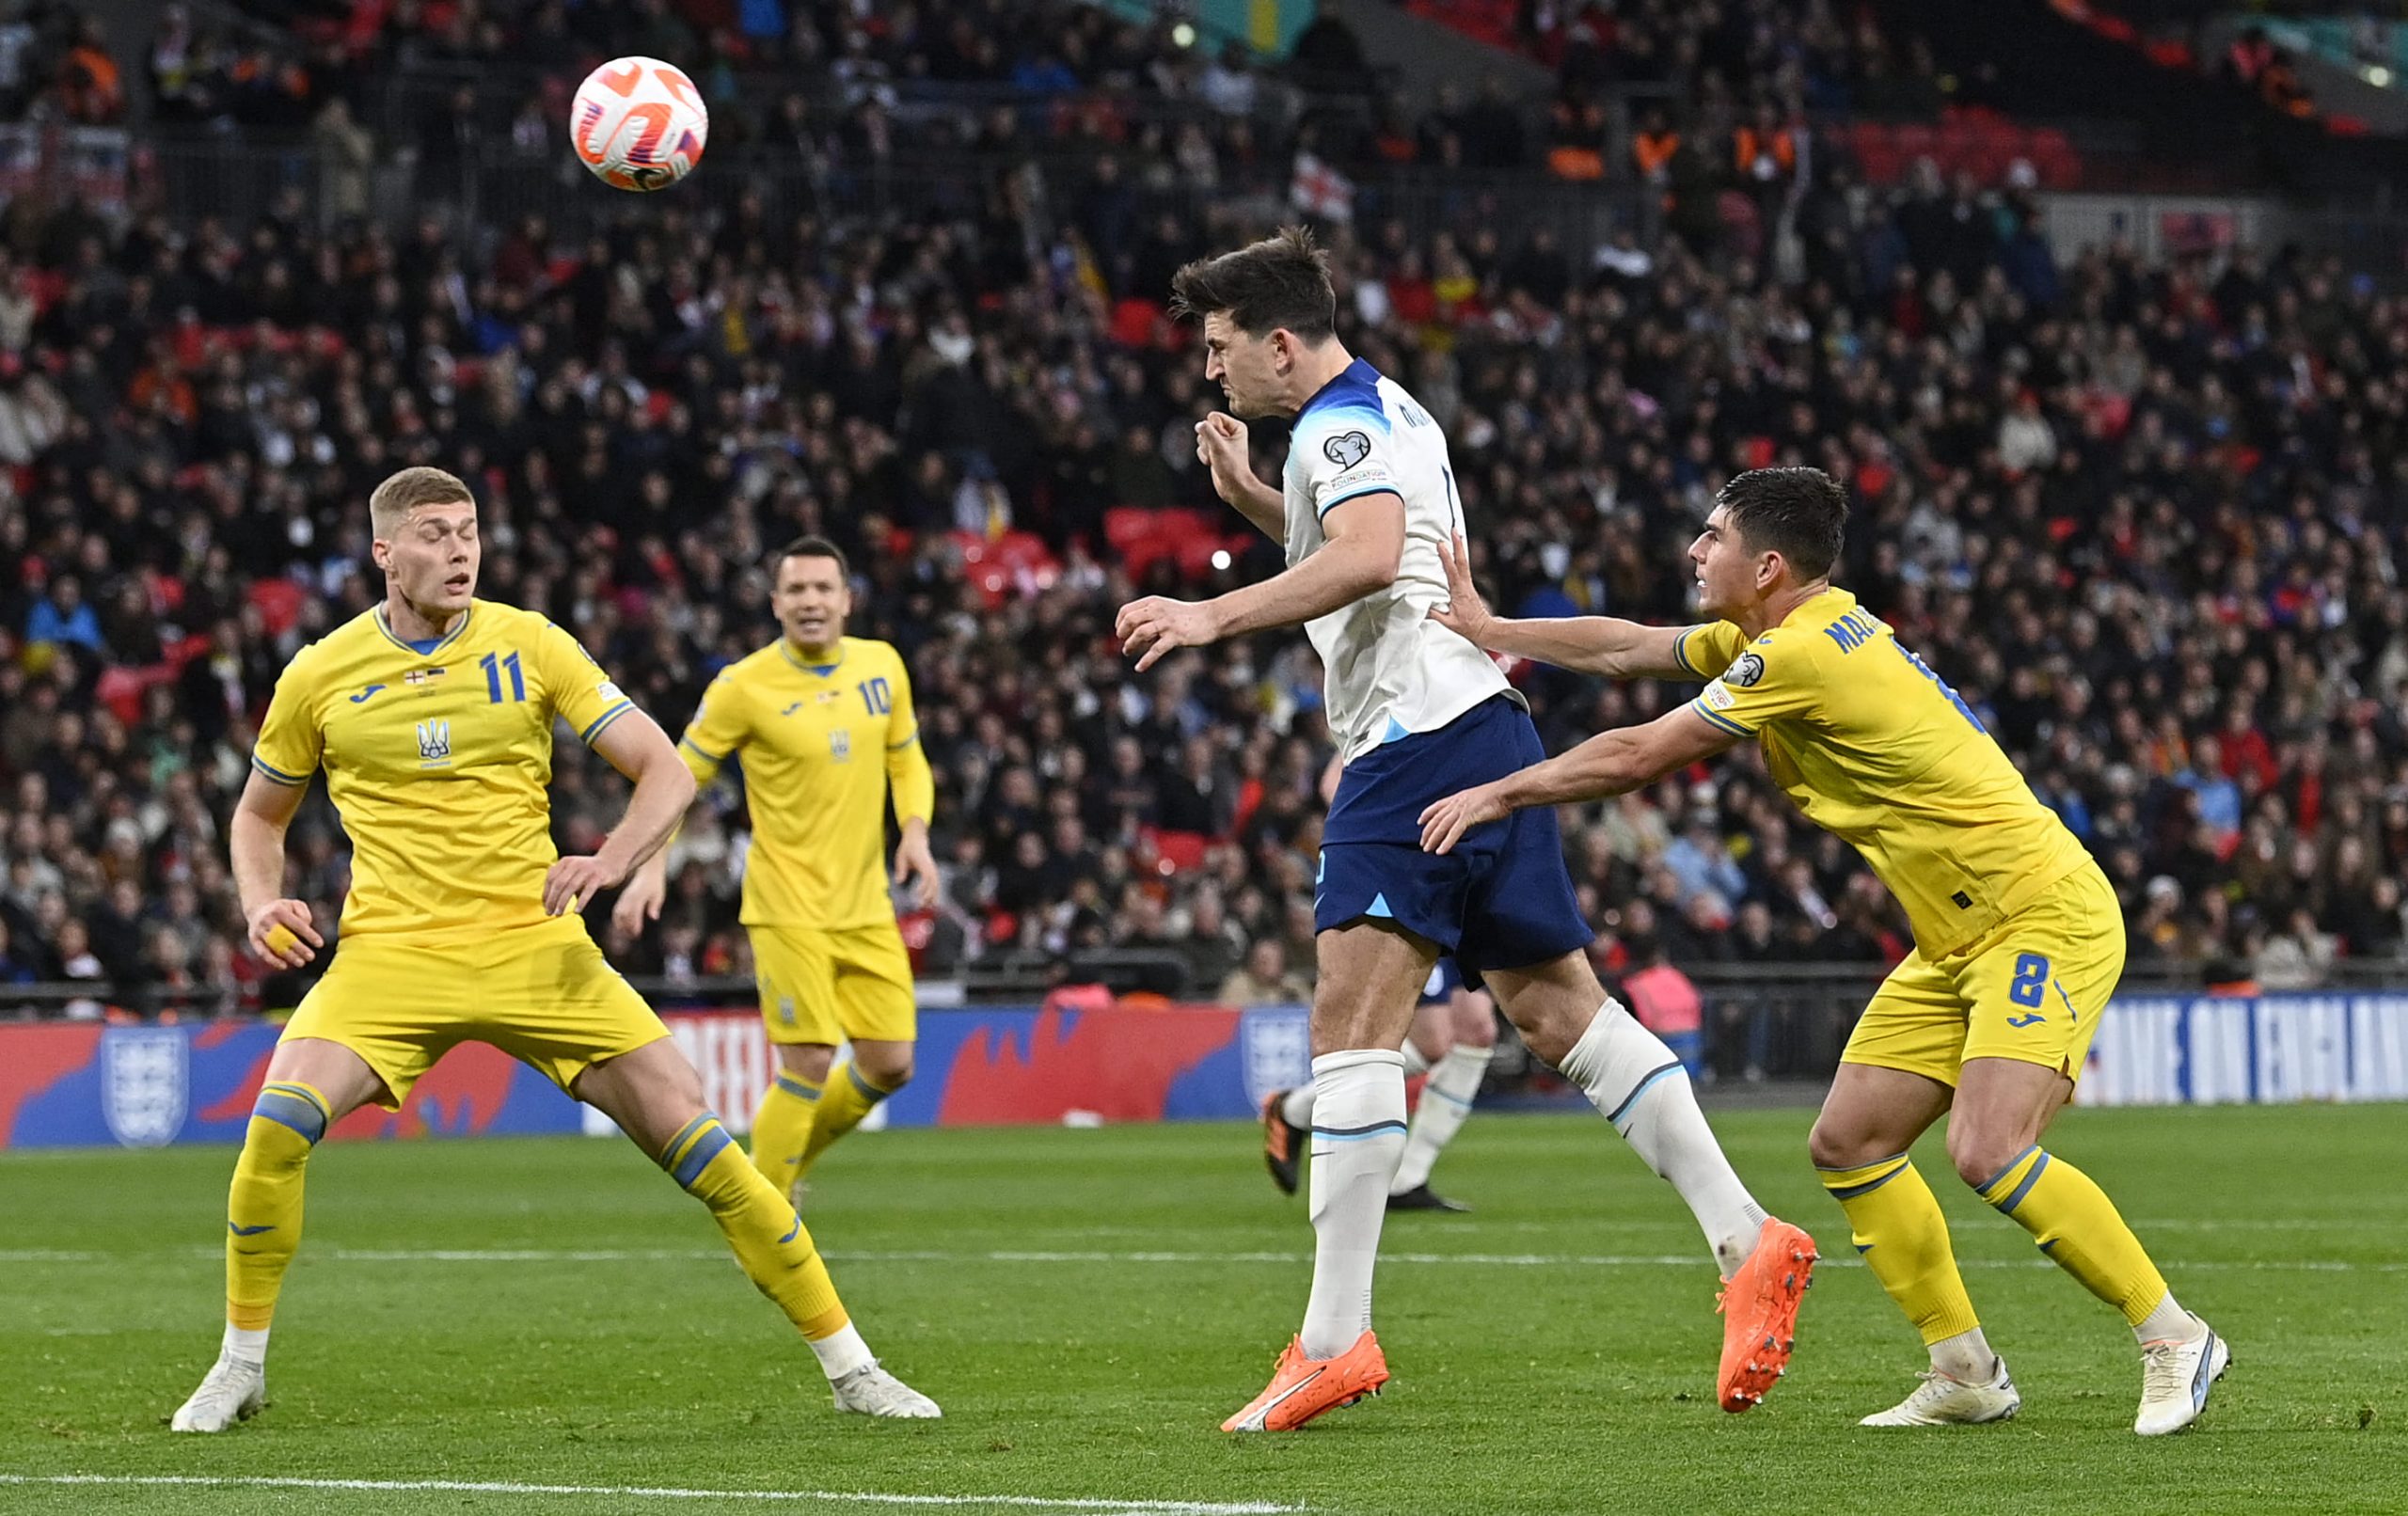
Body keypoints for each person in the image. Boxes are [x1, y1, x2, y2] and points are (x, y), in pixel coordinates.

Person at [1116, 228, 1814, 1432]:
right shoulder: (1390, 412)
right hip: (1484, 722)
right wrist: (1246, 495)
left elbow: (1371, 554)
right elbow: (1368, 547)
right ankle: (1746, 1236)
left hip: (1413, 744)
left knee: (1351, 1026)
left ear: (1282, 342)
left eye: (1225, 348)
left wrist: (1212, 611)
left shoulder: (1340, 425)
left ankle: (1332, 1340)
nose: (1213, 372)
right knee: (1556, 1009)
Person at [1418, 466, 2226, 1435]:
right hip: (1954, 936)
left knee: (1988, 1147)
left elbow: (1640, 752)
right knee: (1851, 1142)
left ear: (1765, 565)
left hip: (2039, 913)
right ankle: (1963, 1370)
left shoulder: (1798, 654)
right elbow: (1629, 649)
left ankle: (2172, 1332)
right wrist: (1490, 629)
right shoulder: (1772, 634)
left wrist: (1499, 791)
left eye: (1710, 537)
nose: (1692, 550)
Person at [170, 468, 937, 1434]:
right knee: (275, 1129)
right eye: (435, 535)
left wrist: (614, 857)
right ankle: (238, 1363)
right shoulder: (320, 671)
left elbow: (662, 766)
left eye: (470, 532)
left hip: (536, 946)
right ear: (383, 553)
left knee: (706, 1149)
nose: (459, 551)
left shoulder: (530, 642)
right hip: (390, 957)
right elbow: (258, 813)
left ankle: (854, 1368)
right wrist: (258, 897)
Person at [615, 536, 939, 1205]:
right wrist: (651, 866)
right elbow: (678, 776)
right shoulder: (743, 686)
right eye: (797, 590)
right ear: (775, 605)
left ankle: (778, 1169)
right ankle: (763, 1210)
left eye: (824, 588)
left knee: (890, 1063)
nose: (811, 601)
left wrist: (915, 832)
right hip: (786, 903)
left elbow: (906, 757)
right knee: (810, 1061)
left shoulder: (883, 667)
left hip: (866, 903)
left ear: (847, 601)